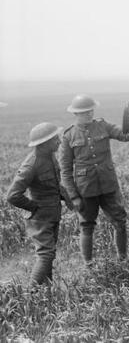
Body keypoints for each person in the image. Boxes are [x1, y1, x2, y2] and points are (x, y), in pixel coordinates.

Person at [59, 94, 129, 266]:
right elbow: (65, 171)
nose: (89, 114)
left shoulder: (103, 125)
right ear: (76, 114)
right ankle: (89, 264)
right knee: (87, 226)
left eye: (91, 110)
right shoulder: (68, 136)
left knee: (120, 221)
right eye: (84, 112)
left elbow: (125, 135)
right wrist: (74, 197)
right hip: (86, 189)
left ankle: (123, 259)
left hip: (108, 185)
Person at [7, 122, 72, 286]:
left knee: (49, 253)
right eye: (55, 139)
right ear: (44, 143)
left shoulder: (49, 156)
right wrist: (34, 207)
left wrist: (69, 200)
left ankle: (47, 291)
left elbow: (55, 184)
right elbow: (13, 195)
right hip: (40, 219)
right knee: (45, 254)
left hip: (52, 214)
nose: (58, 141)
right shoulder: (32, 164)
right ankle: (31, 295)